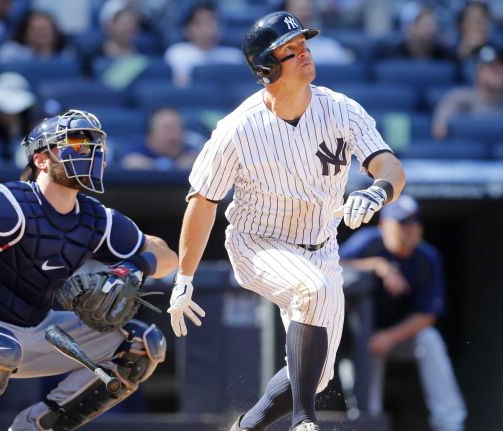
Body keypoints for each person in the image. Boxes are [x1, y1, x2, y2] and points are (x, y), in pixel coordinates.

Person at [166, 11, 405, 431]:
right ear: (266, 68)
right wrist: (184, 278)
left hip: (322, 247)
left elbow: (390, 167)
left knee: (316, 373)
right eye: (290, 50)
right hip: (258, 243)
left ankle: (246, 427)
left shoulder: (341, 110)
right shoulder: (237, 129)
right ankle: (303, 421)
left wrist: (376, 191)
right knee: (311, 290)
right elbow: (202, 201)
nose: (304, 53)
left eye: (304, 45)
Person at [0, 109, 178, 430]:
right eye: (76, 144)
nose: (88, 152)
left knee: (143, 345)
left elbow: (166, 254)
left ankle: (38, 425)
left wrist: (136, 268)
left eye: (91, 145)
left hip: (32, 332)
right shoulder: (9, 202)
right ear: (41, 159)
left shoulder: (96, 219)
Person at [339, 195, 466, 431]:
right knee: (362, 372)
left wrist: (389, 337)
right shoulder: (368, 242)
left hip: (397, 336)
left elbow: (428, 315)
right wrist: (377, 265)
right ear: (383, 226)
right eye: (402, 223)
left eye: (414, 223)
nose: (410, 229)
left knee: (429, 339)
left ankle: (450, 424)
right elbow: (329, 265)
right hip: (358, 340)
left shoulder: (427, 257)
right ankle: (368, 422)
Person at [432, 45, 503, 139]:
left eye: (502, 67)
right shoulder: (458, 98)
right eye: (492, 68)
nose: (499, 72)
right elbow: (439, 131)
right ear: (478, 72)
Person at [163, 2, 243, 87]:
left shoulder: (234, 57)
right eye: (201, 23)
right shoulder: (176, 54)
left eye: (212, 23)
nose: (208, 29)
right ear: (188, 29)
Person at [120, 107, 201, 170]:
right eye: (167, 130)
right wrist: (165, 165)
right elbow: (130, 162)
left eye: (178, 129)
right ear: (151, 134)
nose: (174, 137)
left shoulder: (190, 149)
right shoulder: (136, 150)